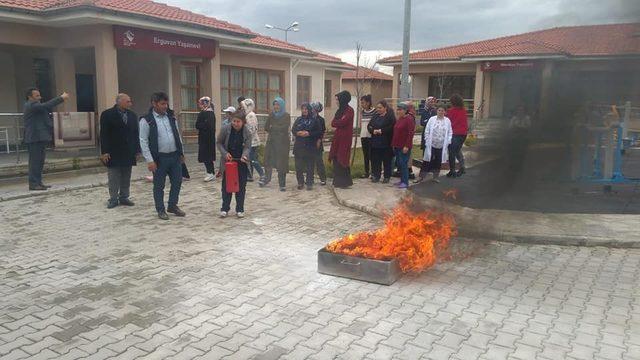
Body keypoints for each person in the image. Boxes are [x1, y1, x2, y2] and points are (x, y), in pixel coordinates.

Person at [139, 92, 186, 220]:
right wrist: (149, 160)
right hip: (159, 159)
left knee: (177, 181)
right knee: (159, 185)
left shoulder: (171, 117)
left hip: (175, 156)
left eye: (166, 103)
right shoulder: (146, 120)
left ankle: (172, 205)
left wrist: (181, 152)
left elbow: (177, 135)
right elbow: (143, 141)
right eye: (162, 104)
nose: (165, 106)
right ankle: (160, 209)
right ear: (154, 104)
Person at [23, 88, 69, 190]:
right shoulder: (31, 105)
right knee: (35, 162)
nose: (40, 98)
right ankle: (34, 184)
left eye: (40, 95)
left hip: (40, 138)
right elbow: (47, 105)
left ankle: (38, 183)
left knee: (39, 162)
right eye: (37, 96)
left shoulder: (36, 106)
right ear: (30, 97)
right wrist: (61, 98)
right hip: (34, 138)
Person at [99, 93, 140, 209]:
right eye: (128, 102)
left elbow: (136, 133)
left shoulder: (132, 115)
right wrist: (104, 151)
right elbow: (104, 134)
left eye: (130, 101)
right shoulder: (107, 114)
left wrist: (137, 150)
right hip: (113, 150)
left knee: (126, 175)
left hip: (129, 150)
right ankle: (113, 198)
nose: (130, 104)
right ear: (119, 102)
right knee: (114, 176)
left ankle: (124, 196)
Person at [217, 112, 251, 218]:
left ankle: (240, 209)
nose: (235, 124)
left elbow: (247, 147)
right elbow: (219, 143)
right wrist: (225, 153)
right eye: (234, 121)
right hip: (228, 162)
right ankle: (225, 208)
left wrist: (245, 156)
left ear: (243, 122)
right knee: (226, 185)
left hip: (241, 163)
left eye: (238, 122)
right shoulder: (225, 129)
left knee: (241, 186)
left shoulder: (247, 132)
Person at [261, 97, 291, 191]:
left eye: (277, 104)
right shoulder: (271, 115)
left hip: (282, 143)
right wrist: (276, 128)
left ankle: (282, 184)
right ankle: (266, 179)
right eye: (274, 104)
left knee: (281, 163)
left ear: (281, 105)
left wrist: (273, 127)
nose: (276, 107)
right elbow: (266, 127)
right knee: (268, 160)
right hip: (271, 142)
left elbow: (284, 128)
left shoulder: (286, 116)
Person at [292, 103, 322, 190]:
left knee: (310, 166)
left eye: (306, 109)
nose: (304, 111)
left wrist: (309, 133)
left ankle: (309, 183)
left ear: (309, 110)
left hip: (310, 147)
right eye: (303, 109)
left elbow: (319, 132)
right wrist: (298, 133)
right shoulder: (298, 120)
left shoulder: (314, 120)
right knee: (299, 166)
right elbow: (293, 129)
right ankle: (300, 182)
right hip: (299, 147)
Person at [420, 105, 453, 183]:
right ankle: (422, 177)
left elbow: (450, 132)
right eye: (439, 110)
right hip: (431, 144)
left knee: (438, 161)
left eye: (442, 111)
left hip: (441, 145)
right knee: (427, 160)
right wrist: (427, 139)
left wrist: (448, 141)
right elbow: (427, 130)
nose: (441, 112)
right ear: (436, 111)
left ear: (445, 112)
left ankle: (435, 177)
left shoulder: (447, 120)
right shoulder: (432, 119)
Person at [329, 91, 355, 188]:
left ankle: (345, 182)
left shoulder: (349, 110)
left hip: (345, 138)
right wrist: (338, 121)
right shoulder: (340, 110)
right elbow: (333, 123)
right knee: (336, 157)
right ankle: (338, 181)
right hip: (338, 138)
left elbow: (342, 122)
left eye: (337, 100)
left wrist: (338, 121)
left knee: (342, 158)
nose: (336, 102)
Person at [368, 100, 396, 183]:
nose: (378, 109)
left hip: (386, 143)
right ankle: (376, 176)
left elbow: (391, 127)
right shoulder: (375, 116)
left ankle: (387, 176)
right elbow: (369, 126)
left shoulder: (390, 117)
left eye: (380, 108)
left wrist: (381, 131)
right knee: (376, 160)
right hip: (375, 143)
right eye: (377, 108)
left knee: (386, 160)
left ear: (385, 108)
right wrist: (373, 131)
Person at [391, 102, 415, 189]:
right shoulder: (399, 119)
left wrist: (407, 146)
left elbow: (410, 133)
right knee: (400, 164)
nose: (398, 111)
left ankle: (405, 182)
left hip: (404, 146)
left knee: (404, 164)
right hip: (397, 145)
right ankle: (402, 180)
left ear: (405, 110)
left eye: (400, 109)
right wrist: (393, 144)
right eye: (397, 109)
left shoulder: (409, 119)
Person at [240, 99, 265, 183]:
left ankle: (262, 174)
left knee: (253, 159)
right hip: (249, 141)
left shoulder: (251, 115)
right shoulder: (247, 115)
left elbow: (252, 129)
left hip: (252, 142)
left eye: (244, 106)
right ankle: (249, 175)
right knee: (248, 159)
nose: (242, 108)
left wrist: (244, 135)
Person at [195, 96, 217, 182]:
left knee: (206, 157)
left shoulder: (204, 113)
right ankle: (211, 172)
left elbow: (197, 125)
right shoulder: (211, 113)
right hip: (210, 139)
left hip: (205, 139)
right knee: (209, 157)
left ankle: (210, 173)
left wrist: (202, 125)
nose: (199, 105)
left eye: (200, 103)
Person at [447, 94, 468, 177]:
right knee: (457, 150)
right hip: (463, 134)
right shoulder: (463, 110)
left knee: (452, 153)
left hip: (455, 134)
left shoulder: (451, 111)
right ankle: (462, 167)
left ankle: (452, 171)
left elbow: (448, 122)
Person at [310, 101, 327, 185]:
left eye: (313, 108)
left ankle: (323, 178)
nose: (312, 110)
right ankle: (310, 178)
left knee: (319, 161)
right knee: (310, 162)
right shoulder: (308, 118)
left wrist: (319, 140)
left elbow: (323, 132)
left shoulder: (321, 120)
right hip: (309, 143)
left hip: (318, 143)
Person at [359, 95, 375, 179]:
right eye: (361, 103)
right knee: (365, 155)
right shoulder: (362, 111)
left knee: (371, 155)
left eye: (363, 103)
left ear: (368, 103)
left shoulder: (374, 111)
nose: (362, 104)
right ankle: (366, 172)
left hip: (371, 136)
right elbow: (361, 123)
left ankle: (373, 172)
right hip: (363, 135)